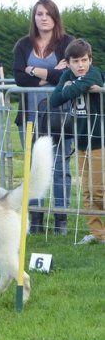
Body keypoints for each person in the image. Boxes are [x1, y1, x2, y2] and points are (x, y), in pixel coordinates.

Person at [13, 0, 74, 234]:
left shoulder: (67, 43)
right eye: (39, 14)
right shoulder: (23, 45)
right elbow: (19, 78)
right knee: (33, 168)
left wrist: (35, 71)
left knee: (60, 167)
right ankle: (35, 219)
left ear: (55, 17)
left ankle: (61, 219)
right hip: (28, 118)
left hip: (60, 117)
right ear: (34, 17)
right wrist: (51, 73)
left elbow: (68, 75)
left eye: (48, 14)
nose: (44, 18)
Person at [50, 39, 105, 244]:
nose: (81, 65)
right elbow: (55, 100)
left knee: (99, 190)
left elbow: (69, 92)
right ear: (68, 62)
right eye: (76, 61)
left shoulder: (94, 72)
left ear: (90, 59)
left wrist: (72, 87)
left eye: (84, 60)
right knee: (87, 191)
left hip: (99, 140)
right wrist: (72, 86)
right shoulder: (67, 75)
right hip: (80, 142)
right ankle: (98, 234)